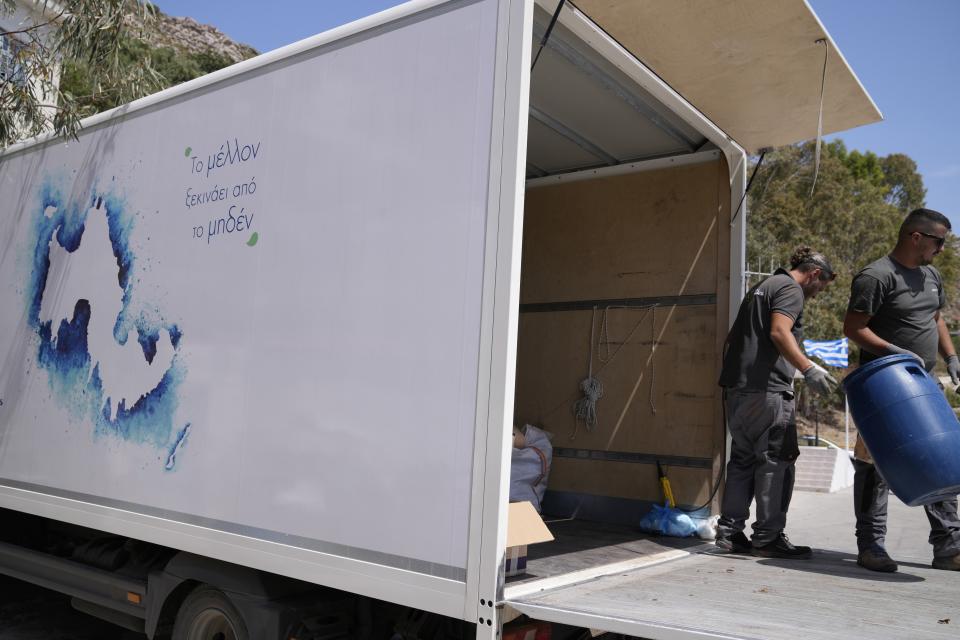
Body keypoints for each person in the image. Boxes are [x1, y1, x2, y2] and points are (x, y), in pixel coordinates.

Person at [843, 207, 960, 573]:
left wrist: (951, 355)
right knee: (874, 467)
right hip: (883, 387)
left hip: (924, 383)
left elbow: (935, 318)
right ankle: (871, 546)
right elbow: (853, 327)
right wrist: (894, 352)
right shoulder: (876, 277)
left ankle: (949, 547)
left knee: (936, 460)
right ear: (916, 237)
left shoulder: (931, 275)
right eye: (938, 241)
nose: (941, 249)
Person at [715, 247, 838, 558]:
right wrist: (809, 368)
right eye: (821, 285)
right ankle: (768, 538)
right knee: (776, 463)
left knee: (742, 461)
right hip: (768, 392)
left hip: (738, 391)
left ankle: (729, 534)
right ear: (813, 274)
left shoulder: (761, 287)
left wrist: (736, 379)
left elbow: (731, 339)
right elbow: (780, 332)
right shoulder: (790, 289)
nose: (819, 292)